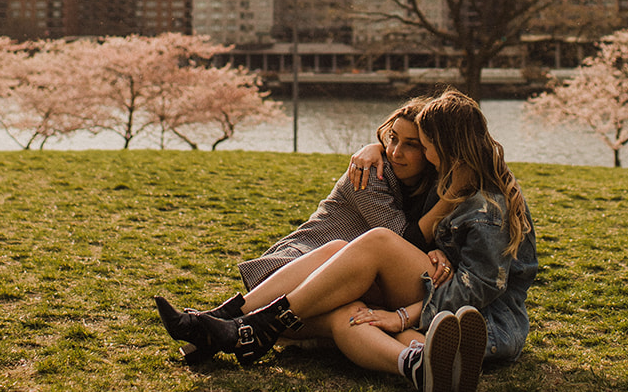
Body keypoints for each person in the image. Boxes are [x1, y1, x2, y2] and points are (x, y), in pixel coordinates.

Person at [154, 89, 538, 392]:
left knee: (377, 244)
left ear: (442, 145)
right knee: (349, 313)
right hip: (408, 297)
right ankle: (418, 364)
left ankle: (242, 328)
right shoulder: (435, 181)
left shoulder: (483, 202)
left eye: (421, 142)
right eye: (395, 141)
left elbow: (481, 288)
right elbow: (440, 249)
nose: (402, 150)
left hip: (476, 320)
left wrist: (402, 316)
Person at [160, 101, 457, 367]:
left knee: (354, 313)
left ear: (432, 151)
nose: (395, 151)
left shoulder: (424, 188)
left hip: (340, 291)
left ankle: (219, 331)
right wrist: (375, 148)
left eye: (411, 144)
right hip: (293, 277)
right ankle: (224, 321)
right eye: (392, 138)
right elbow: (400, 241)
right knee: (337, 250)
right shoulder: (369, 172)